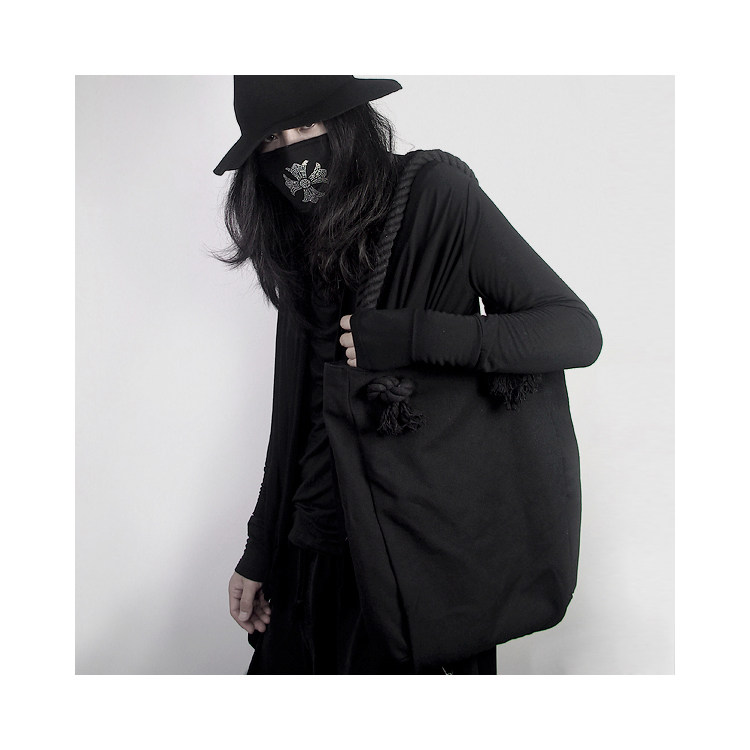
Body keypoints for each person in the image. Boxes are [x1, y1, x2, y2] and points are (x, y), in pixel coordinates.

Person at [213, 75, 603, 674]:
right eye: (270, 141)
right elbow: (293, 408)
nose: (292, 153)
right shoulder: (294, 231)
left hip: (420, 556)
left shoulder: (435, 195)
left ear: (348, 122)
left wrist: (413, 336)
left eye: (306, 126)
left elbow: (574, 331)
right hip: (312, 549)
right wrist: (260, 548)